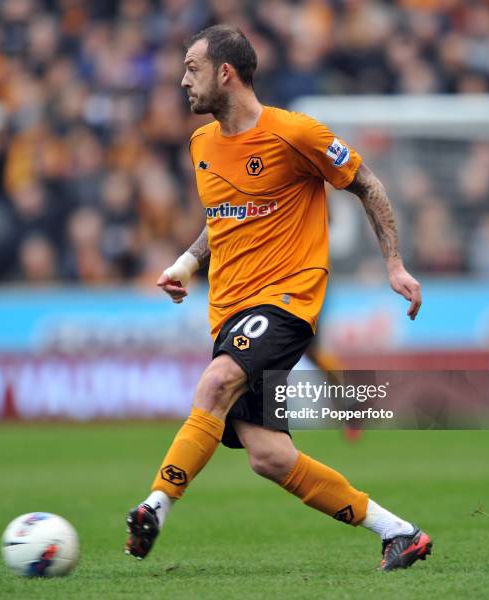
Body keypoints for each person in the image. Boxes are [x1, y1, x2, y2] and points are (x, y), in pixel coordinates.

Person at [125, 25, 431, 572]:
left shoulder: (295, 133)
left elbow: (367, 184)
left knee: (215, 383)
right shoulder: (201, 145)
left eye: (191, 68)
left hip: (287, 301)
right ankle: (399, 532)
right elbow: (221, 219)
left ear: (226, 73)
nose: (181, 80)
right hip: (229, 309)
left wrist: (394, 264)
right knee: (269, 457)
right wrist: (188, 262)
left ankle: (155, 505)